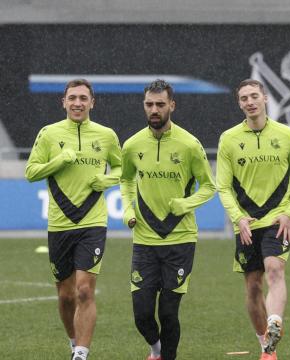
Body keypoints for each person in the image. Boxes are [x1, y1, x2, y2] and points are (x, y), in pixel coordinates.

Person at [25, 79, 122, 360]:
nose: (77, 103)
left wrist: (105, 180)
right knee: (66, 296)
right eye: (72, 98)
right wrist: (60, 161)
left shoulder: (106, 135)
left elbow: (121, 168)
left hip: (92, 223)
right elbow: (31, 172)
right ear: (63, 102)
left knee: (83, 290)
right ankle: (72, 340)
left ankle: (81, 353)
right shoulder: (49, 134)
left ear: (92, 102)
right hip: (59, 225)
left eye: (83, 98)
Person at [120, 79, 216, 360]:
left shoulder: (189, 145)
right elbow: (125, 181)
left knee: (168, 312)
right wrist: (128, 210)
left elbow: (209, 187)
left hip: (180, 241)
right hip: (144, 242)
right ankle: (156, 350)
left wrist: (185, 203)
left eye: (160, 104)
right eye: (149, 104)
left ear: (171, 105)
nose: (154, 109)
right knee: (141, 315)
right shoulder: (132, 145)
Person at [216, 79, 290, 360]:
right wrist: (238, 218)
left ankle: (275, 320)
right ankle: (266, 347)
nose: (250, 102)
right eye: (244, 98)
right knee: (253, 286)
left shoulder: (288, 135)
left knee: (275, 270)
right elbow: (223, 186)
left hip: (277, 220)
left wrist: (289, 213)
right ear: (239, 103)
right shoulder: (228, 139)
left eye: (255, 96)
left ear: (265, 98)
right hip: (246, 223)